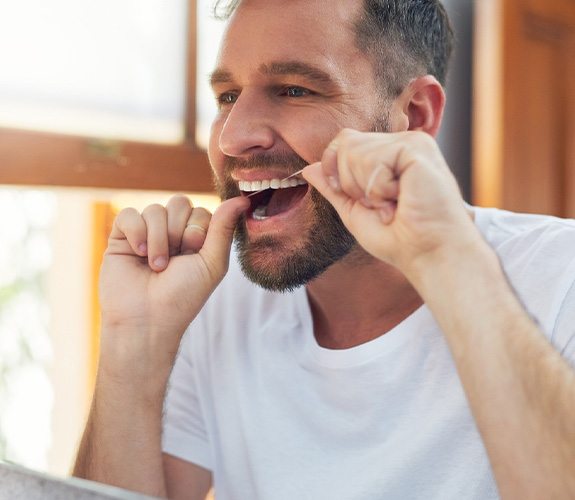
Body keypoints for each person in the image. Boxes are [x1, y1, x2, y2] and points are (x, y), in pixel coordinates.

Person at [73, 0, 575, 498]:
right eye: (227, 96)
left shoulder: (561, 279)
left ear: (415, 116)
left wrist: (446, 262)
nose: (233, 138)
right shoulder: (213, 299)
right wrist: (133, 343)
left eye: (294, 89)